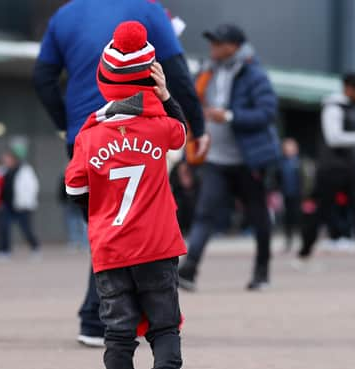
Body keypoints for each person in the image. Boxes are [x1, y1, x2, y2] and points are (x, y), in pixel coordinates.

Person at [34, 0, 208, 347]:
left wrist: (64, 123)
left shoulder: (65, 14)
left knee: (106, 223)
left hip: (86, 132)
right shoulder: (147, 10)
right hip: (142, 129)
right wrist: (197, 125)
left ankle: (100, 316)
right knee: (135, 220)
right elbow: (175, 70)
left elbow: (43, 79)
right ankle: (118, 316)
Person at [65, 22, 187, 369]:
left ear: (105, 78)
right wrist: (166, 94)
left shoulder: (90, 136)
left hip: (111, 249)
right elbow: (182, 132)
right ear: (148, 79)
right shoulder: (159, 127)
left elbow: (74, 188)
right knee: (164, 326)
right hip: (157, 245)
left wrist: (98, 217)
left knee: (117, 333)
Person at [178, 24, 279, 292]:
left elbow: (267, 112)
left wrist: (231, 116)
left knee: (259, 217)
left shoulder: (254, 74)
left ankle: (261, 273)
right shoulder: (206, 71)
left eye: (217, 42)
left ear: (233, 46)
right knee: (204, 214)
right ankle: (188, 270)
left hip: (250, 160)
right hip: (216, 160)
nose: (212, 47)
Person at [296, 73, 355, 267]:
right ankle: (304, 252)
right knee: (321, 211)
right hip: (331, 169)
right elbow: (333, 137)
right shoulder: (333, 107)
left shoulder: (351, 109)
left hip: (350, 168)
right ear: (350, 88)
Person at [0, 142, 41, 257]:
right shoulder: (3, 170)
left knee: (25, 229)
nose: (5, 160)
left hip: (22, 206)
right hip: (8, 205)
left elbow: (32, 187)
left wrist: (26, 202)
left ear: (13, 159)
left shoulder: (25, 170)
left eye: (7, 158)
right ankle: (5, 250)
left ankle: (35, 247)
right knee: (4, 227)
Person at [278, 138, 302, 252]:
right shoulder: (280, 163)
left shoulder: (300, 162)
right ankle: (289, 241)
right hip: (286, 195)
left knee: (300, 218)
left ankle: (304, 242)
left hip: (299, 195)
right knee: (288, 220)